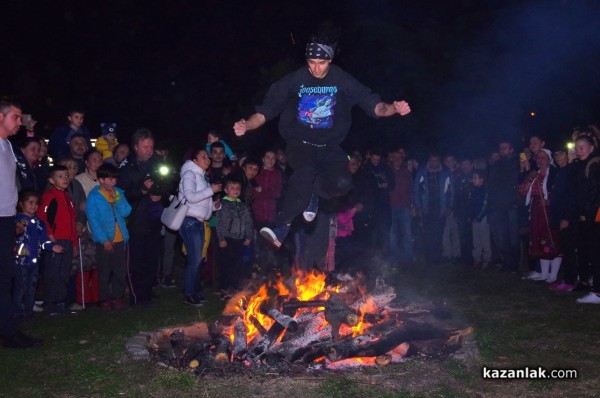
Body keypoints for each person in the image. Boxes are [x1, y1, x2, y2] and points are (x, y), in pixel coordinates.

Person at [233, 34, 411, 248]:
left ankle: (314, 196)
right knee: (305, 171)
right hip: (300, 143)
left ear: (330, 60)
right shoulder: (294, 80)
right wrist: (246, 125)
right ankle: (281, 227)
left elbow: (372, 105)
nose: (316, 69)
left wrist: (393, 108)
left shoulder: (341, 79)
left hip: (329, 147)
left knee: (343, 184)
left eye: (321, 63)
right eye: (312, 63)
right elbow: (264, 112)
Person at [117, 128, 165, 306]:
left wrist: (161, 195)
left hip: (154, 219)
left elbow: (167, 185)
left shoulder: (156, 163)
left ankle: (147, 292)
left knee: (151, 259)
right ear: (136, 147)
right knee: (136, 261)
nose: (149, 150)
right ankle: (137, 296)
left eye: (151, 146)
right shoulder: (127, 167)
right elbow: (121, 195)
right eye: (145, 146)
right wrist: (142, 190)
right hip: (136, 221)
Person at [178, 148, 222, 306]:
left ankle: (195, 291)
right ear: (194, 160)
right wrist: (211, 190)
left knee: (198, 259)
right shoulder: (189, 174)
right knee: (195, 259)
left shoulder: (201, 176)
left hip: (198, 221)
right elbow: (190, 197)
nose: (207, 159)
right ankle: (188, 294)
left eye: (207, 157)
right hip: (190, 221)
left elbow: (201, 203)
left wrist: (215, 207)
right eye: (203, 156)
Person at [86, 163, 131, 311]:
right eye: (108, 179)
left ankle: (117, 297)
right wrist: (103, 239)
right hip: (105, 240)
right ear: (101, 180)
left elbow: (126, 212)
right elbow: (93, 220)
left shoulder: (118, 192)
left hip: (120, 238)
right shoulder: (94, 197)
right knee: (104, 271)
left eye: (114, 179)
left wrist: (117, 199)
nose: (112, 182)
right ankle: (104, 299)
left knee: (120, 270)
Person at [14, 190, 64, 317]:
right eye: (30, 202)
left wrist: (52, 247)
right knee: (20, 288)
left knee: (31, 287)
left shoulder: (39, 223)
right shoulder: (16, 220)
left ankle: (29, 312)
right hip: (20, 261)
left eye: (36, 203)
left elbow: (43, 239)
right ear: (21, 204)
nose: (34, 206)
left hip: (34, 260)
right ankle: (17, 313)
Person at [37, 165, 78, 314]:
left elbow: (72, 222)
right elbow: (42, 217)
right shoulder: (49, 196)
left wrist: (74, 242)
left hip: (67, 241)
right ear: (52, 180)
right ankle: (50, 303)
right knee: (52, 272)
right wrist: (50, 237)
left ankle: (61, 302)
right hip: (55, 241)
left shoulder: (68, 198)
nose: (65, 179)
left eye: (66, 176)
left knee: (64, 273)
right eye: (60, 176)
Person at [572, 135, 600, 303]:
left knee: (596, 253)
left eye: (582, 147)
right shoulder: (584, 164)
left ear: (591, 147)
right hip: (591, 215)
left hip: (595, 217)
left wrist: (586, 212)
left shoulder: (595, 163)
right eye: (577, 148)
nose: (579, 151)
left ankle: (597, 292)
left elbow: (594, 192)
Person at [413, 154, 453, 265]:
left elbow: (451, 191)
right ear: (429, 161)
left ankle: (437, 257)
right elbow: (416, 190)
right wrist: (418, 206)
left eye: (436, 160)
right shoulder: (422, 173)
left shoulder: (446, 173)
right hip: (427, 208)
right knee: (427, 233)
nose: (434, 162)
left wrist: (450, 206)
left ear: (439, 161)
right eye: (432, 160)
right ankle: (429, 258)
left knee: (439, 232)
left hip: (441, 207)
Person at [487, 141, 520, 273]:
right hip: (498, 206)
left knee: (513, 237)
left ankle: (514, 265)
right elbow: (491, 184)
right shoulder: (496, 165)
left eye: (505, 148)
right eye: (500, 148)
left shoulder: (516, 163)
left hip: (511, 205)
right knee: (502, 237)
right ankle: (507, 263)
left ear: (511, 150)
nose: (502, 151)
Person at [216, 178, 253, 293]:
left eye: (238, 188)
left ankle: (235, 287)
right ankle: (224, 288)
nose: (235, 190)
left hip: (240, 239)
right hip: (228, 238)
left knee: (238, 264)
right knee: (226, 264)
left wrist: (249, 236)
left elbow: (248, 221)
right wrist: (221, 238)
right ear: (226, 190)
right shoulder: (223, 204)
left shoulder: (242, 205)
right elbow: (220, 222)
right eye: (232, 188)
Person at [388, 149, 414, 266]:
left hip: (404, 207)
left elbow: (411, 190)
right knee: (392, 234)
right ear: (391, 158)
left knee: (407, 233)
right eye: (395, 157)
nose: (397, 160)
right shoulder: (388, 172)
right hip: (390, 207)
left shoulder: (406, 172)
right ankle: (395, 258)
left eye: (400, 158)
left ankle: (408, 258)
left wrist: (412, 205)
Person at [468, 170, 491, 269]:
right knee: (476, 240)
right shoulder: (473, 190)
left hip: (482, 219)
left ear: (481, 180)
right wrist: (471, 216)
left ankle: (486, 259)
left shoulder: (485, 191)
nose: (473, 180)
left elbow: (485, 205)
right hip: (475, 218)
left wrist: (479, 217)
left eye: (475, 178)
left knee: (484, 239)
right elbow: (472, 205)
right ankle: (477, 259)